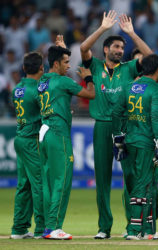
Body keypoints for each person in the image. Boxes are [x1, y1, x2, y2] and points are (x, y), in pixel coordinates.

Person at [80, 10, 152, 239]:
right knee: (102, 180)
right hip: (102, 125)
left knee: (130, 176)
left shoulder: (130, 68)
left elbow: (151, 59)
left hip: (125, 126)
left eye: (122, 48)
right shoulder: (94, 66)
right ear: (106, 49)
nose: (120, 51)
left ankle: (134, 226)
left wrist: (132, 33)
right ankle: (104, 228)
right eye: (116, 47)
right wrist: (102, 28)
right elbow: (83, 48)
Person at [39, 45, 95, 240]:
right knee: (62, 180)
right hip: (58, 133)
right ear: (55, 63)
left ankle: (47, 226)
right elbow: (91, 94)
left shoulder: (43, 81)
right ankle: (55, 227)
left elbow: (55, 97)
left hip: (44, 132)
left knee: (48, 182)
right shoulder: (64, 81)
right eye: (65, 62)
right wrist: (88, 77)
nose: (69, 66)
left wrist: (59, 47)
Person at [112, 54, 158, 240]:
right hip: (145, 142)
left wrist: (118, 137)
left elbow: (116, 112)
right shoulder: (156, 89)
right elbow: (156, 119)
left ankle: (148, 230)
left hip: (130, 140)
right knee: (142, 184)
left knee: (147, 184)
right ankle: (134, 230)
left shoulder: (129, 87)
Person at [10, 52, 45, 239]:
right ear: (41, 68)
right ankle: (41, 229)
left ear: (24, 68)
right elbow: (45, 112)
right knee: (39, 183)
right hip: (32, 140)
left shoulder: (17, 89)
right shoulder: (38, 90)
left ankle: (19, 228)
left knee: (24, 184)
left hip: (20, 137)